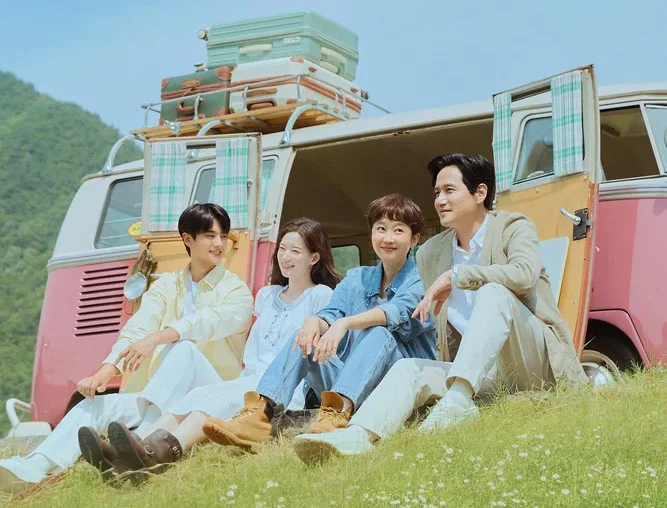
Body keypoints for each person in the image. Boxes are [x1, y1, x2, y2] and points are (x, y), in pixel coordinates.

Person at [291, 153, 589, 464]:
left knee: (493, 293)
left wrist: (457, 276)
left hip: (530, 362)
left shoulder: (513, 226)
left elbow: (524, 274)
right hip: (478, 372)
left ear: (480, 193)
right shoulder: (431, 252)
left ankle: (457, 403)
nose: (440, 200)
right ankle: (357, 435)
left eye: (449, 190)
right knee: (408, 368)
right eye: (436, 192)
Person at [0, 204, 253, 494]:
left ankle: (139, 441)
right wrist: (105, 371)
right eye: (210, 236)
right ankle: (35, 466)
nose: (219, 244)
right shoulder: (167, 286)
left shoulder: (236, 291)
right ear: (188, 239)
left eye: (223, 236)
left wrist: (158, 338)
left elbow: (207, 322)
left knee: (183, 348)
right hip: (160, 395)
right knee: (93, 405)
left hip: (210, 393)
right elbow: (136, 329)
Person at [93, 218, 339, 484]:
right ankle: (132, 448)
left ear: (314, 257)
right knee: (197, 392)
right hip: (248, 378)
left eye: (295, 251)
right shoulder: (267, 296)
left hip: (282, 387)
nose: (285, 257)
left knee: (210, 401)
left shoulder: (321, 295)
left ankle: (161, 455)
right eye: (282, 248)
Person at [202, 194, 438, 453]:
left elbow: (397, 313)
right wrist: (315, 321)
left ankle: (337, 412)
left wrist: (344, 324)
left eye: (398, 230)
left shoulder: (423, 278)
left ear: (414, 239)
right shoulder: (357, 278)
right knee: (307, 334)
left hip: (396, 384)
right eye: (380, 229)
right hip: (349, 382)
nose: (388, 238)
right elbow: (332, 312)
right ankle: (258, 416)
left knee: (380, 333)